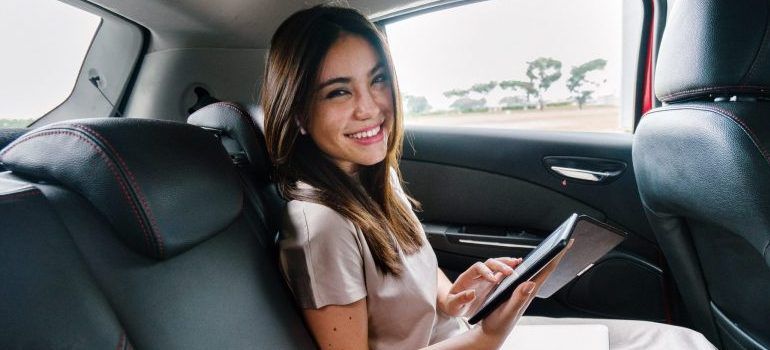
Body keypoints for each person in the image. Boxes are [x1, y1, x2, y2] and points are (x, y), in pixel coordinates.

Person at [260, 5, 716, 350]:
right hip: (468, 345)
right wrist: (486, 338)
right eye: (339, 91)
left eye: (377, 81)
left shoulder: (372, 178)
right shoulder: (320, 228)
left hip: (464, 334)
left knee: (677, 342)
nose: (371, 107)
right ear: (299, 113)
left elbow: (411, 266)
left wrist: (453, 297)